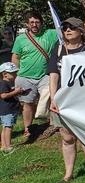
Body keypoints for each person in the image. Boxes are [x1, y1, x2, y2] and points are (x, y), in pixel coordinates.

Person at [48, 17, 85, 183]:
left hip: (84, 102)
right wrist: (53, 98)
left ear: (81, 30)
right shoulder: (57, 50)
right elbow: (53, 76)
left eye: (72, 27)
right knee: (67, 138)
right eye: (65, 28)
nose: (68, 30)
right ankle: (68, 175)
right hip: (62, 102)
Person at [11, 10, 58, 138]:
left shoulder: (50, 34)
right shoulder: (20, 39)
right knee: (27, 104)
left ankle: (50, 122)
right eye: (31, 22)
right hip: (25, 76)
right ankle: (28, 128)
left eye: (37, 22)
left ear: (41, 23)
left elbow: (63, 29)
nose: (34, 24)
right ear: (27, 24)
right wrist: (14, 76)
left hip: (44, 75)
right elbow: (15, 58)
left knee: (51, 95)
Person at [0, 62, 25, 152]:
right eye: (13, 73)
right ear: (5, 74)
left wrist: (17, 91)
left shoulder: (6, 83)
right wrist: (16, 92)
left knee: (5, 127)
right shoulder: (4, 83)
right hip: (7, 110)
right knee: (8, 127)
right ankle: (8, 146)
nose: (15, 74)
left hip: (6, 110)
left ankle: (3, 146)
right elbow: (3, 95)